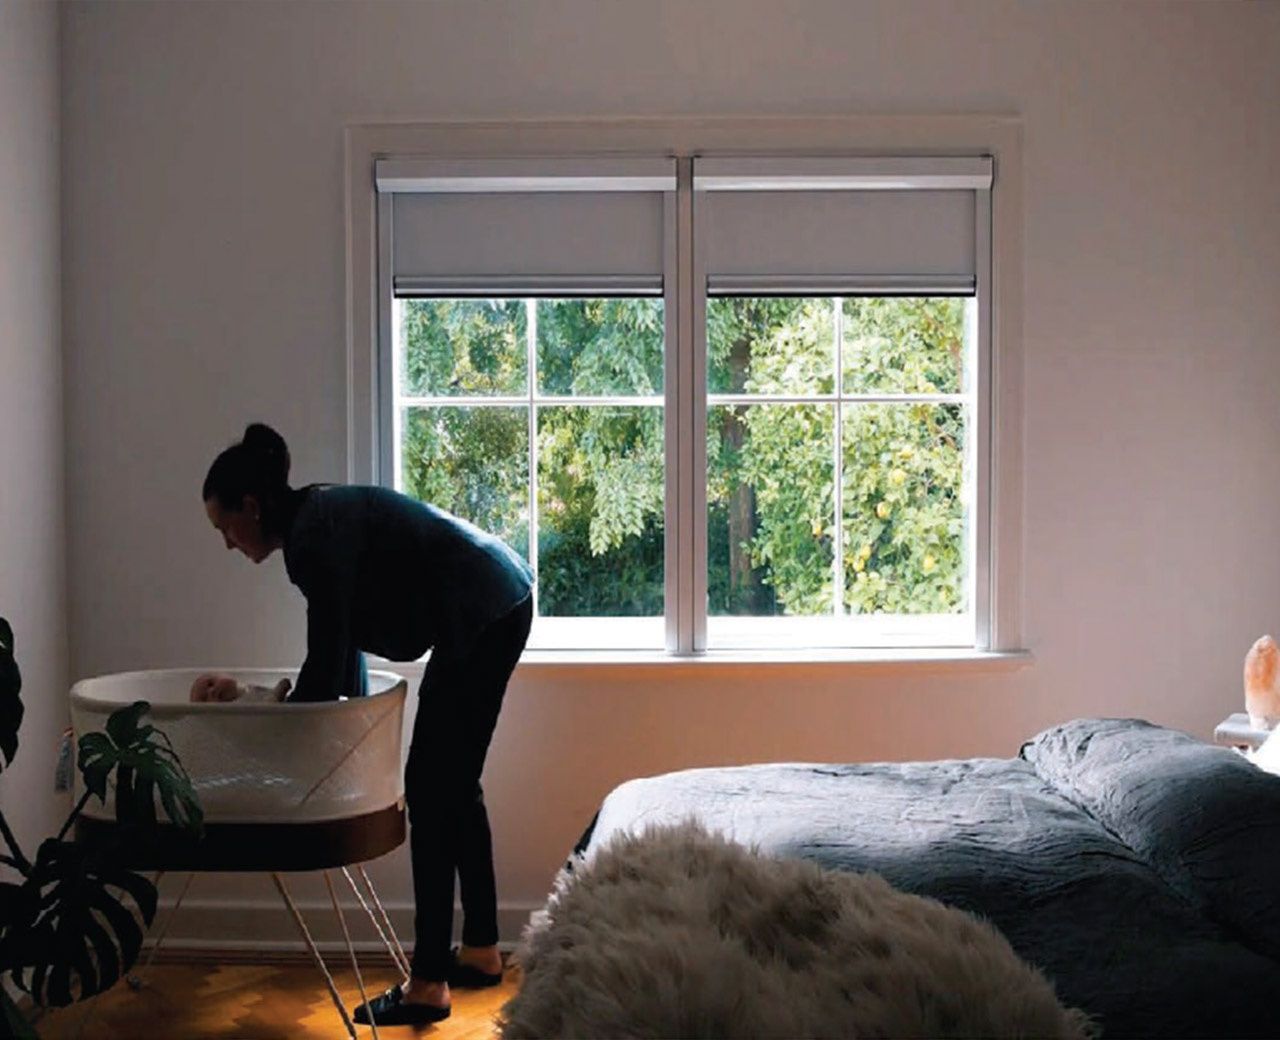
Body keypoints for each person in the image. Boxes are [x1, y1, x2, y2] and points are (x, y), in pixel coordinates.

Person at [200, 422, 533, 1026]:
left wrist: (264, 718)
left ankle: (428, 983)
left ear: (251, 507)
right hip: (501, 594)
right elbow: (340, 657)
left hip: (485, 603)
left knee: (432, 788)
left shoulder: (311, 539)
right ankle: (481, 949)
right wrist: (279, 701)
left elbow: (326, 670)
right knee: (454, 784)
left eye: (225, 527)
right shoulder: (319, 516)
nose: (226, 543)